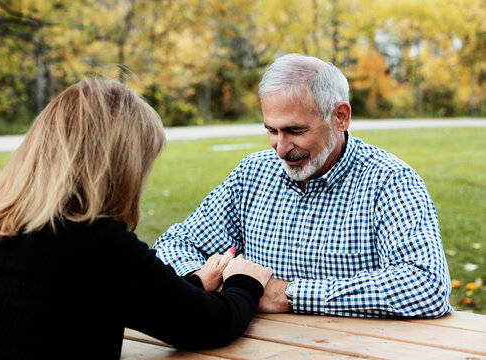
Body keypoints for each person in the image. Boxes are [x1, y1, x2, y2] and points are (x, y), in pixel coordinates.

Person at [0, 78, 273, 360]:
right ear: (119, 167)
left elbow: (130, 299)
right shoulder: (98, 243)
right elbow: (208, 326)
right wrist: (245, 281)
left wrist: (197, 284)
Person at [154, 54, 452, 318]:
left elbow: (426, 284)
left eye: (295, 130)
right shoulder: (253, 172)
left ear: (340, 117)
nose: (281, 148)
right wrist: (199, 279)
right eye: (272, 130)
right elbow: (173, 244)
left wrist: (286, 294)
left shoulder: (390, 181)